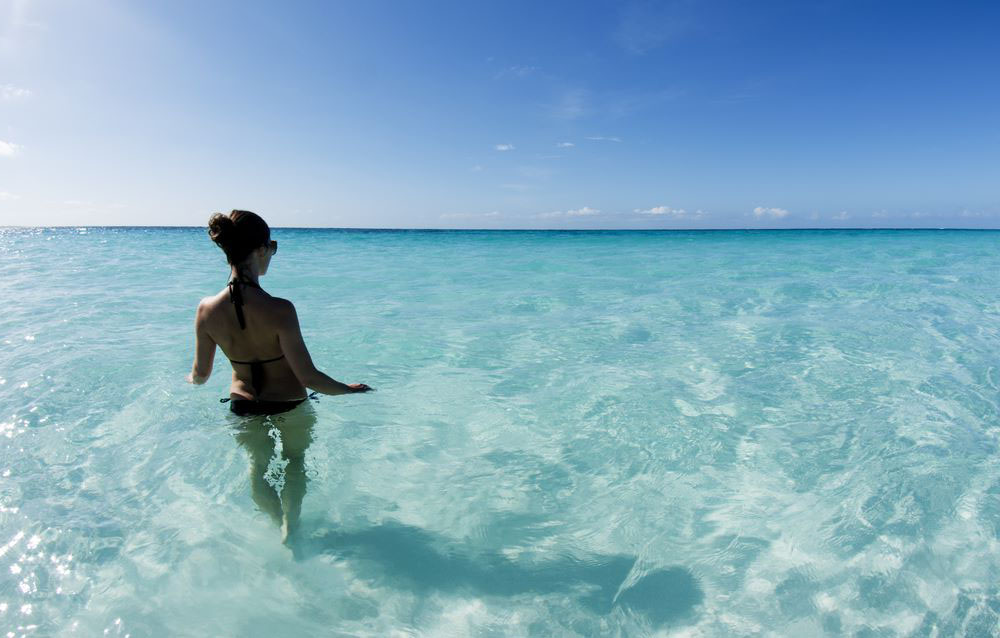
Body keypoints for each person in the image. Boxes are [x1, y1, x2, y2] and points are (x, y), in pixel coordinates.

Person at [186, 209, 372, 413]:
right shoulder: (281, 310)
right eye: (272, 246)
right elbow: (308, 377)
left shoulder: (205, 310)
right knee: (295, 448)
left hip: (242, 405)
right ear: (261, 250)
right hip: (289, 405)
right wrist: (348, 389)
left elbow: (201, 375)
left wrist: (190, 379)